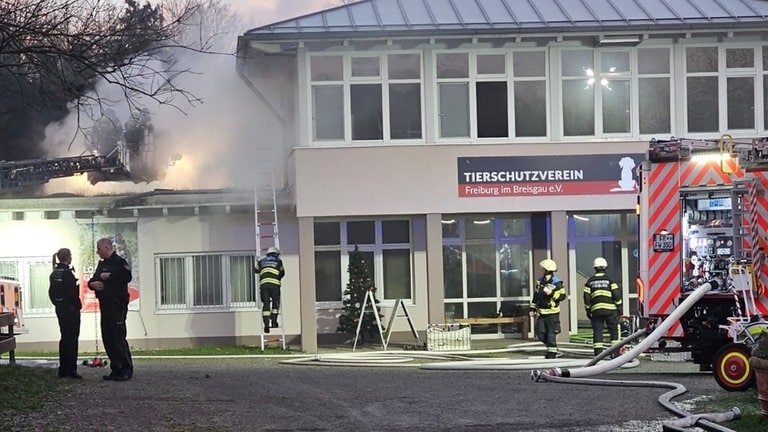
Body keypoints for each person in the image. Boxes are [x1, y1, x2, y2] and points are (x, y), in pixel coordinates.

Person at [87, 237, 134, 381]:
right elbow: (92, 280)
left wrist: (110, 276)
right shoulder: (102, 264)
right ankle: (116, 368)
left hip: (117, 306)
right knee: (107, 338)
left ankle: (126, 369)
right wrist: (93, 284)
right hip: (105, 306)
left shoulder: (120, 262)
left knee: (118, 338)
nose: (97, 252)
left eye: (99, 249)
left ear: (107, 248)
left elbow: (127, 276)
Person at [49, 248, 82, 379]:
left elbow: (51, 293)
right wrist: (74, 306)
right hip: (70, 310)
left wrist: (58, 304)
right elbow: (72, 293)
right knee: (72, 339)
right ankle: (71, 369)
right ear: (68, 258)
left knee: (64, 338)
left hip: (60, 309)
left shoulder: (55, 273)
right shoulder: (68, 273)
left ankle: (63, 369)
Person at [583, 257, 623, 357]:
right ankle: (615, 353)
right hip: (610, 310)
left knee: (597, 331)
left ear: (594, 268)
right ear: (605, 267)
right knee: (614, 330)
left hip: (596, 311)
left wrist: (588, 309)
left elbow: (586, 298)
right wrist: (619, 307)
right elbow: (616, 295)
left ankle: (598, 355)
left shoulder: (590, 281)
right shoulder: (610, 280)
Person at [529, 258, 566, 359]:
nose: (541, 270)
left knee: (551, 333)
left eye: (542, 268)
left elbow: (562, 296)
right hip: (541, 312)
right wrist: (532, 308)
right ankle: (551, 346)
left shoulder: (557, 282)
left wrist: (552, 293)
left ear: (547, 269)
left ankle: (552, 353)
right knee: (539, 332)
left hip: (552, 313)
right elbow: (536, 295)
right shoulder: (540, 281)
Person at [255, 246, 284, 333]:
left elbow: (255, 270)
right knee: (275, 303)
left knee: (266, 304)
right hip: (275, 286)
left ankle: (266, 325)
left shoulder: (261, 261)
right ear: (275, 254)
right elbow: (282, 273)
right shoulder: (278, 261)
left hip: (264, 286)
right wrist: (277, 278)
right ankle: (274, 322)